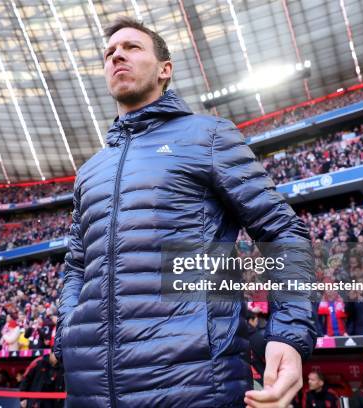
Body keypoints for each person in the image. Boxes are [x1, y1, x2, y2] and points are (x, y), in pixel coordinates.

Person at [53, 16, 316, 407]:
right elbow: (76, 265)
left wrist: (289, 335)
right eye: (109, 53)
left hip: (193, 385)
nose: (116, 55)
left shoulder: (208, 136)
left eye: (131, 47)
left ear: (165, 70)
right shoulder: (91, 170)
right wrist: (68, 333)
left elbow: (282, 233)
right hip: (91, 388)